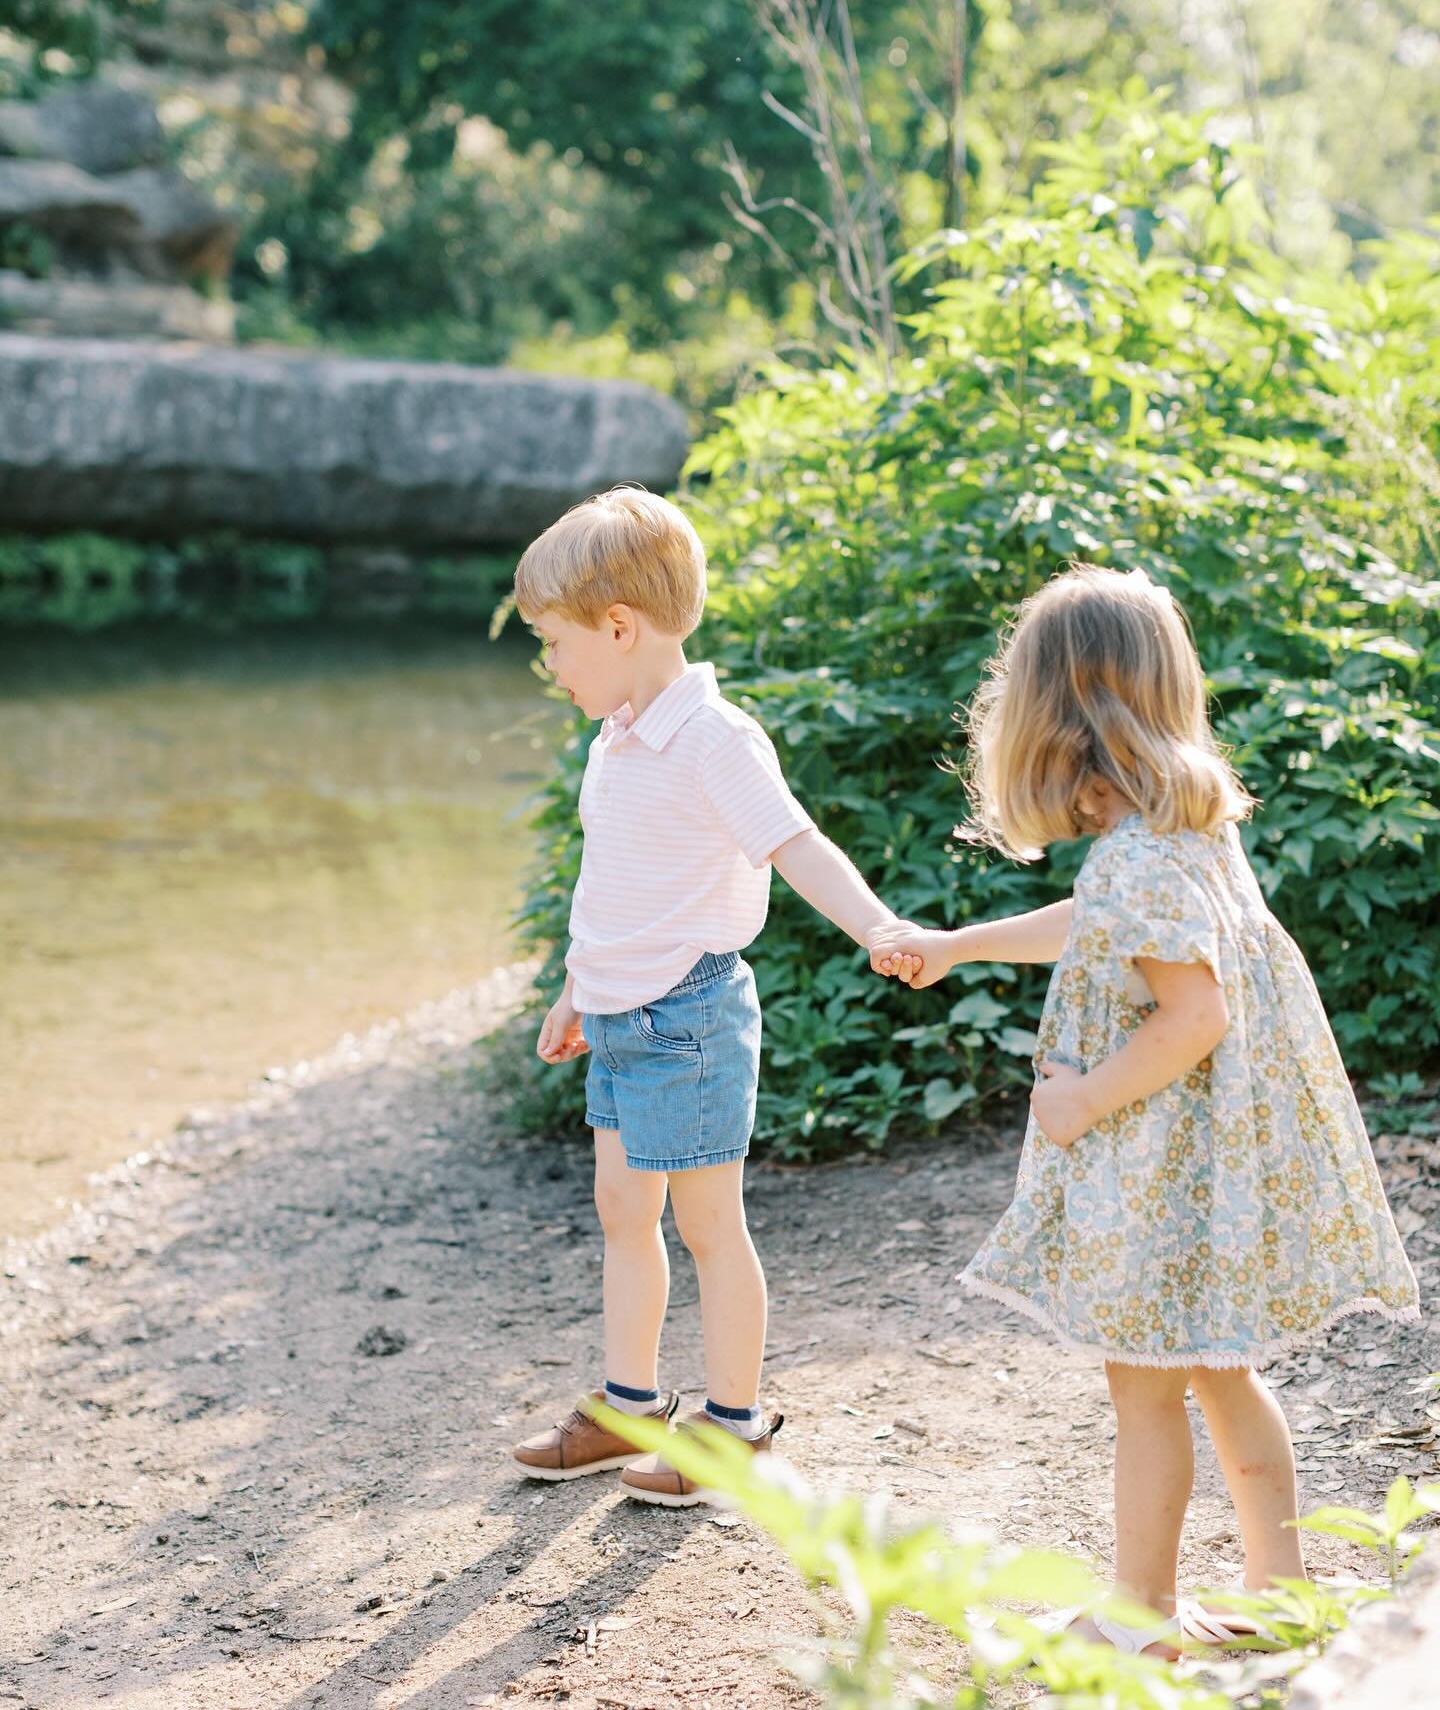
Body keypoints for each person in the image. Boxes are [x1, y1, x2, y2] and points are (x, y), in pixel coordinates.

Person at [872, 563, 1419, 1653]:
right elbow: (1095, 922)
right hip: (1213, 1172)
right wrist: (958, 944)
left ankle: (1142, 1615)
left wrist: (1077, 1101)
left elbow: (1194, 1016)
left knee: (1148, 1395)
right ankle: (1282, 1591)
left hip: (1171, 1175)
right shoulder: (1183, 834)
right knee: (1223, 1371)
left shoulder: (1143, 858)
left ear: (1054, 716)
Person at [509, 485, 917, 1506]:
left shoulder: (712, 739)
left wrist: (877, 926)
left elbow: (793, 844)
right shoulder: (621, 734)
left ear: (619, 626)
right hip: (617, 1012)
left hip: (687, 1016)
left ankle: (732, 1426)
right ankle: (631, 1405)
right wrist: (573, 988)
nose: (548, 665)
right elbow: (614, 887)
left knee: (708, 1226)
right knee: (620, 1209)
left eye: (554, 643)